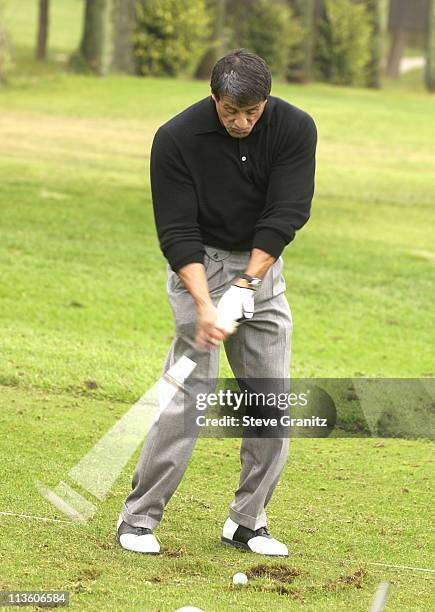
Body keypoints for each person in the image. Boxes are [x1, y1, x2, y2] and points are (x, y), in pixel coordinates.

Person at [117, 49, 317, 557]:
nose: (242, 122)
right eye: (232, 111)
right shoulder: (176, 139)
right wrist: (207, 307)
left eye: (253, 112)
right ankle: (138, 519)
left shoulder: (295, 128)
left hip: (261, 267)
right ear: (214, 99)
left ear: (266, 103)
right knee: (190, 394)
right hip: (199, 268)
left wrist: (248, 286)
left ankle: (247, 521)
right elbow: (176, 231)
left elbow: (286, 213)